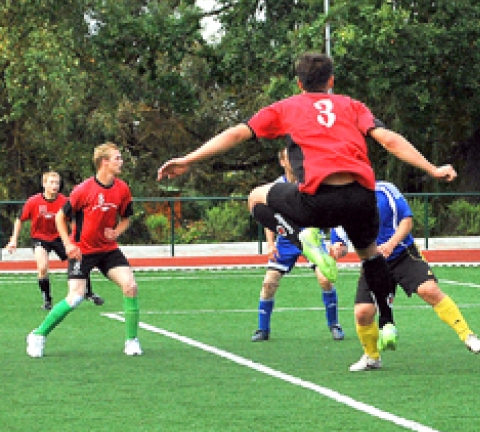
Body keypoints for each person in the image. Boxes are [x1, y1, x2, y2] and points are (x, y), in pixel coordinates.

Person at [157, 53, 456, 353]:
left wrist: (188, 159)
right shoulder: (352, 106)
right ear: (331, 81)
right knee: (370, 256)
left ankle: (301, 238)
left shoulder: (287, 107)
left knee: (255, 198)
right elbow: (390, 140)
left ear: (299, 83)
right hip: (361, 198)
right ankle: (388, 323)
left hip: (318, 202)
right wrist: (432, 169)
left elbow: (238, 133)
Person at [348, 181, 480, 371]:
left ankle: (467, 335)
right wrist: (336, 250)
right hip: (373, 262)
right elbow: (339, 239)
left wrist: (390, 244)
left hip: (402, 253)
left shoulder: (385, 190)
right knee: (362, 312)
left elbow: (407, 220)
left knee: (429, 290)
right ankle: (372, 357)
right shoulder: (342, 201)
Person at [26, 144, 142, 358]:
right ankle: (38, 335)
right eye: (117, 158)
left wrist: (116, 232)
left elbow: (126, 218)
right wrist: (69, 245)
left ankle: (132, 341)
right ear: (104, 162)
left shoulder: (123, 189)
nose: (121, 161)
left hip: (108, 250)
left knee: (130, 286)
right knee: (76, 297)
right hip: (83, 251)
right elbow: (61, 217)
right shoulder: (83, 190)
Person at [252, 150, 348, 342]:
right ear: (282, 162)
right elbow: (268, 217)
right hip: (286, 241)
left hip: (312, 239)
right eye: (290, 157)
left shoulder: (311, 183)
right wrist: (270, 245)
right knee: (269, 284)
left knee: (325, 279)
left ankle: (334, 325)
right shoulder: (275, 188)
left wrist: (336, 240)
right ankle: (262, 329)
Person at [5, 171, 104, 309]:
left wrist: (77, 240)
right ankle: (47, 300)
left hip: (59, 238)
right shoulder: (33, 201)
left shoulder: (64, 201)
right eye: (51, 182)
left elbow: (72, 221)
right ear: (44, 184)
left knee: (79, 259)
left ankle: (88, 292)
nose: (55, 185)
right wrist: (13, 239)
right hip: (40, 238)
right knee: (43, 267)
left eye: (57, 183)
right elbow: (19, 220)